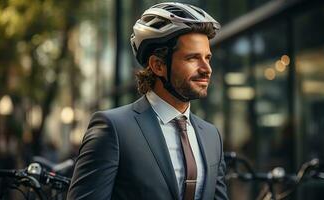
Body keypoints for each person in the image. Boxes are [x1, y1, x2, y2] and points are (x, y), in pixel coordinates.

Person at [67, 2, 229, 200]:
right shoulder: (113, 129)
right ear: (158, 66)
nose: (207, 69)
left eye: (208, 58)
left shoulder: (212, 136)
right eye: (193, 58)